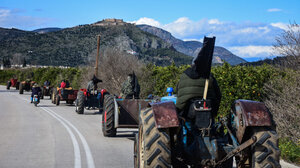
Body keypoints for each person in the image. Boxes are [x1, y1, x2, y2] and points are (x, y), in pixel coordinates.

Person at [176, 37, 221, 118]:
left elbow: (178, 91)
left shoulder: (184, 74)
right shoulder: (209, 76)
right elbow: (218, 95)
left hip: (188, 111)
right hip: (208, 111)